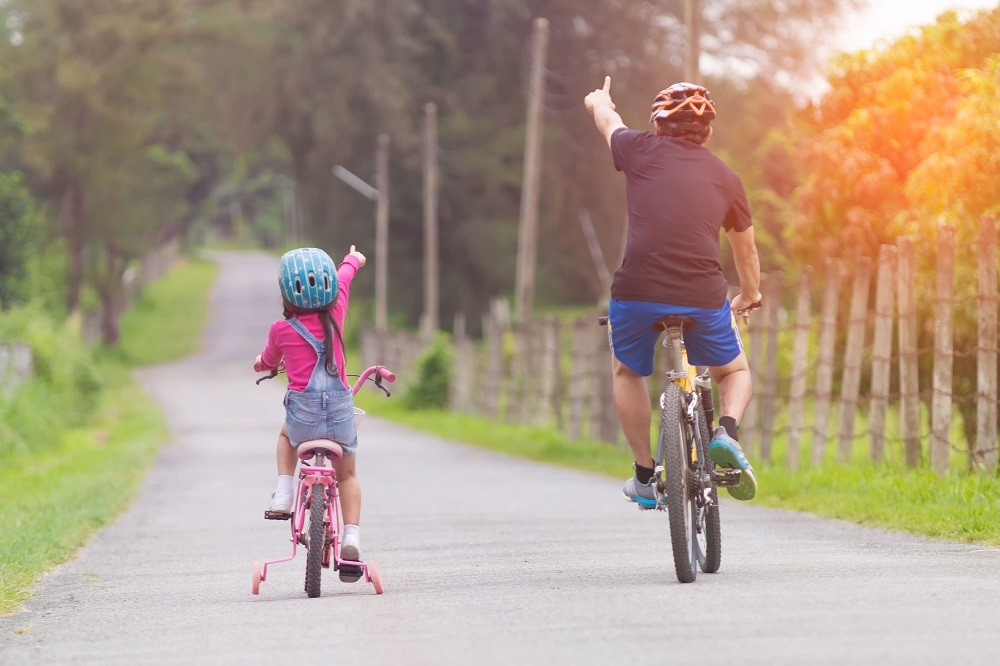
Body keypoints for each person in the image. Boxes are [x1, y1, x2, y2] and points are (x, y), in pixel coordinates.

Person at [584, 76, 761, 507]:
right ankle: (726, 433)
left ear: (659, 126)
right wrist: (750, 295)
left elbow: (608, 120)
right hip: (703, 295)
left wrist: (598, 100)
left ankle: (645, 476)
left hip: (637, 291)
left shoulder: (638, 148)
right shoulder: (727, 178)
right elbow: (748, 251)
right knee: (734, 372)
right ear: (708, 132)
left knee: (628, 372)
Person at [254, 245, 367, 580]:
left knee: (286, 436)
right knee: (346, 475)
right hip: (339, 419)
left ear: (287, 295)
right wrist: (353, 260)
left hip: (303, 422)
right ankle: (351, 539)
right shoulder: (336, 314)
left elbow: (269, 361)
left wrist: (261, 364)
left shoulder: (281, 330)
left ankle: (284, 493)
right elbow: (345, 277)